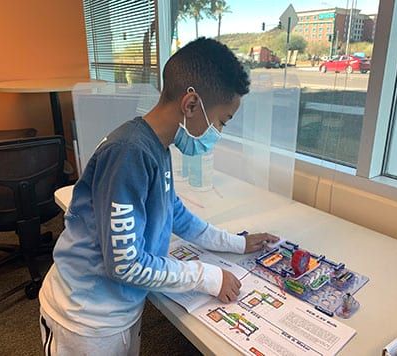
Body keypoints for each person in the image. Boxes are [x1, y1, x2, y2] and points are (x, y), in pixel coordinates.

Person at [38, 37, 278, 356]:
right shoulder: (129, 154)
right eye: (221, 121)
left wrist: (236, 243)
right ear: (191, 105)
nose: (219, 133)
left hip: (116, 312)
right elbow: (125, 265)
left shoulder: (156, 146)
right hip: (85, 319)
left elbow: (174, 213)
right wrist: (207, 277)